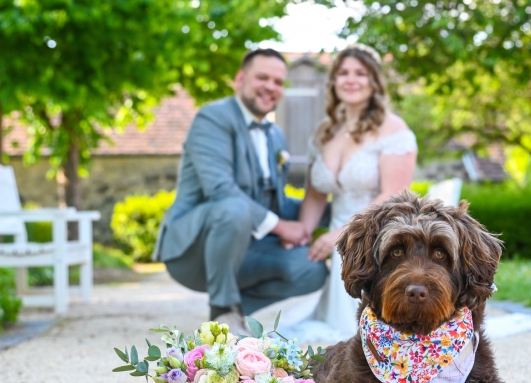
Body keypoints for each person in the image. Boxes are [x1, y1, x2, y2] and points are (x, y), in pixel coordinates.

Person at [153, 49, 328, 333]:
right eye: (262, 77)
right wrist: (282, 227)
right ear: (240, 79)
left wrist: (328, 217)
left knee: (311, 269)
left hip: (251, 250)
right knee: (233, 207)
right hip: (194, 251)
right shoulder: (213, 117)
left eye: (278, 82)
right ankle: (223, 308)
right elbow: (219, 189)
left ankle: (231, 314)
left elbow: (276, 202)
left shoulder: (276, 134)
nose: (270, 87)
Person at [279, 44, 417, 343]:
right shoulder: (325, 132)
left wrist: (342, 235)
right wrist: (303, 232)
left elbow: (393, 195)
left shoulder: (392, 129)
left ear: (374, 81)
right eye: (343, 73)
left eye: (360, 73)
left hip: (376, 235)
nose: (350, 79)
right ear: (333, 81)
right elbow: (315, 195)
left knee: (358, 332)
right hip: (335, 232)